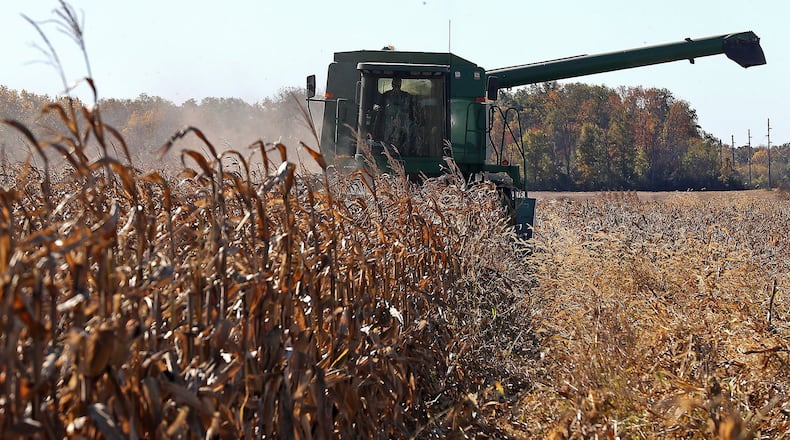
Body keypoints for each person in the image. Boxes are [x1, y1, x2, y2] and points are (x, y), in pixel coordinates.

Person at [373, 76, 418, 154]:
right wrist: (377, 108)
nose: (396, 86)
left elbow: (413, 110)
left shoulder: (407, 96)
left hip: (403, 124)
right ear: (392, 84)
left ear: (400, 85)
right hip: (388, 123)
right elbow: (377, 106)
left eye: (398, 84)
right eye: (395, 84)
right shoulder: (385, 95)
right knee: (386, 140)